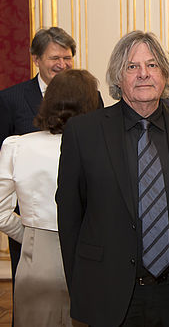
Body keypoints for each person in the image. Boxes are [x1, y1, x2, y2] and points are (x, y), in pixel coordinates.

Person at [56, 30, 169, 326]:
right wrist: (82, 286)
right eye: (132, 67)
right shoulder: (83, 133)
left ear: (164, 74)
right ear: (117, 77)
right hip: (107, 292)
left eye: (152, 65)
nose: (144, 74)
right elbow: (70, 216)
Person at [0, 69, 98, 326]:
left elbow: (0, 211)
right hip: (91, 257)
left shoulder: (18, 146)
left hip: (37, 260)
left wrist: (29, 235)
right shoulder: (99, 148)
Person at [0, 26, 77, 284]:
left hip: (79, 230)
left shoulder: (89, 97)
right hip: (31, 231)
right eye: (55, 58)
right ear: (36, 59)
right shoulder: (10, 100)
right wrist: (25, 232)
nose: (62, 65)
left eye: (67, 58)